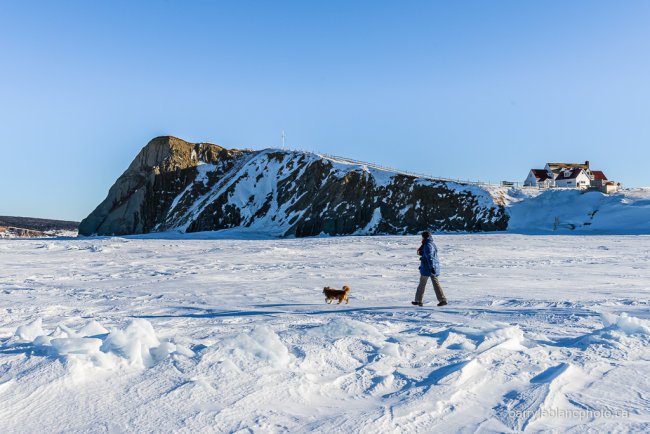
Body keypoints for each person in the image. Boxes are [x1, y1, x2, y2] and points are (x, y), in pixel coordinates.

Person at [412, 231, 448, 307]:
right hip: (431, 267)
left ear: (424, 237)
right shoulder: (431, 243)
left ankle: (418, 300)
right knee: (435, 284)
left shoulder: (427, 245)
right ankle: (442, 300)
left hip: (427, 268)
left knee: (422, 284)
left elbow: (430, 257)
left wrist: (431, 267)